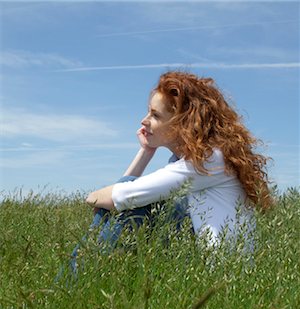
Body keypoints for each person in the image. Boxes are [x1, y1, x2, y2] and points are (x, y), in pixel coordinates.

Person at [68, 71, 272, 275]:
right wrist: (147, 151)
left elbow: (117, 196)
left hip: (219, 279)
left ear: (181, 124)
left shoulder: (206, 161)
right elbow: (126, 193)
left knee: (128, 206)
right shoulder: (200, 159)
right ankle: (86, 280)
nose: (144, 121)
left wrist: (97, 197)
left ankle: (73, 283)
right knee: (136, 202)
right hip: (207, 267)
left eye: (155, 115)